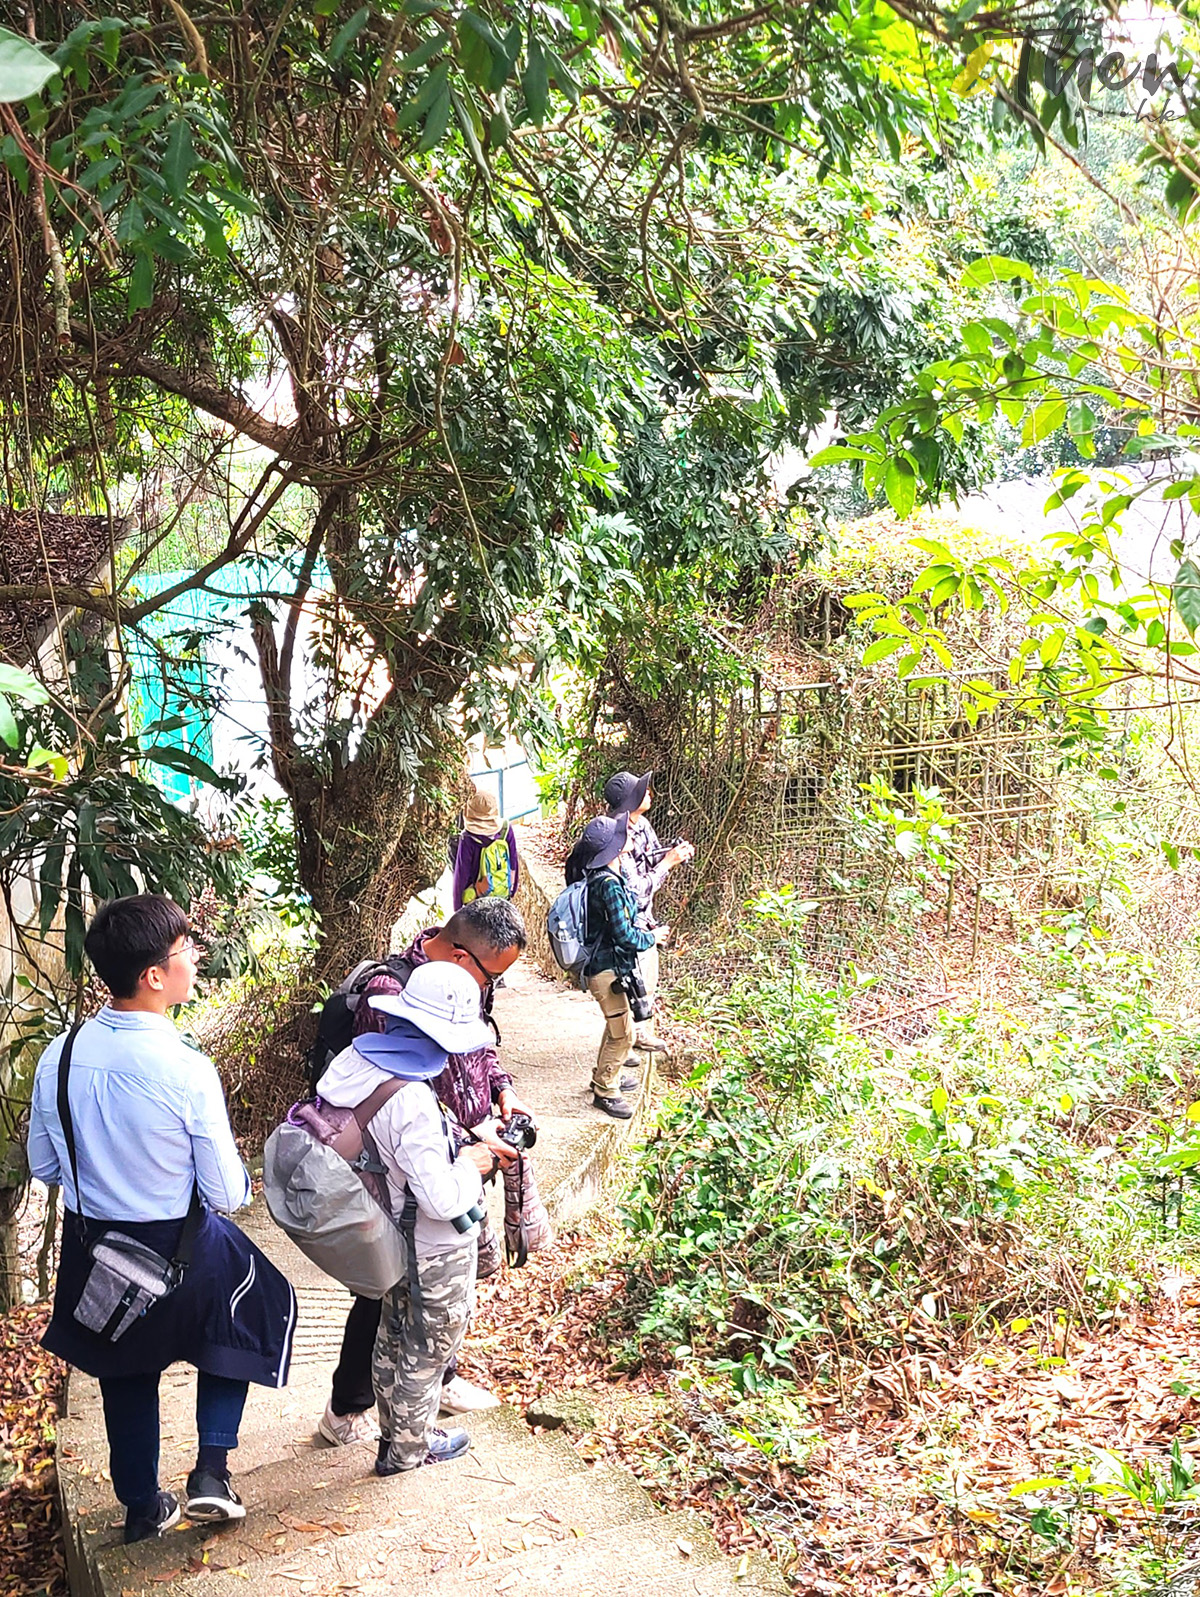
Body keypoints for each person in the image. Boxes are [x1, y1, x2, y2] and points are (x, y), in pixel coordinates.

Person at [26, 896, 296, 1544]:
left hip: (95, 1248)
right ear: (153, 975)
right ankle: (211, 1468)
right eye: (184, 949)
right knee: (250, 1303)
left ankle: (143, 1505)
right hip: (178, 1244)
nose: (195, 957)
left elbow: (44, 1162)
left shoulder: (58, 1057)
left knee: (125, 1368)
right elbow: (227, 1191)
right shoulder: (185, 1069)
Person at [316, 898, 530, 1446]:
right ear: (462, 958)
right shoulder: (391, 994)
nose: (489, 991)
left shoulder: (457, 986)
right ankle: (353, 1409)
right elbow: (404, 1100)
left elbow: (478, 1047)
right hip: (407, 1173)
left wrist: (500, 1089)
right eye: (491, 978)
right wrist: (472, 1143)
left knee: (432, 1297)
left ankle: (432, 1388)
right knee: (384, 1292)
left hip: (458, 1152)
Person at [576, 813, 669, 1120]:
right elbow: (625, 935)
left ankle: (605, 1074)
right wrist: (651, 936)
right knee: (623, 1035)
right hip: (606, 970)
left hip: (607, 967)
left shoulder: (605, 876)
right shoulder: (609, 886)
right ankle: (606, 1090)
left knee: (618, 1025)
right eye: (622, 834)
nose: (629, 833)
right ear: (614, 848)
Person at [604, 770, 693, 1054]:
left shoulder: (641, 824)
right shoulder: (618, 835)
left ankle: (638, 1035)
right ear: (630, 801)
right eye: (642, 790)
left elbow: (652, 856)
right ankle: (623, 1047)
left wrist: (673, 852)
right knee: (628, 986)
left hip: (645, 918)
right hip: (628, 921)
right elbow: (635, 890)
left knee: (647, 980)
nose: (649, 792)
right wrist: (667, 864)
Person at [452, 787, 520, 911]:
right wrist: (511, 891)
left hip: (477, 900)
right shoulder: (506, 829)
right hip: (502, 895)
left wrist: (457, 908)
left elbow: (461, 875)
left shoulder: (467, 837)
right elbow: (513, 863)